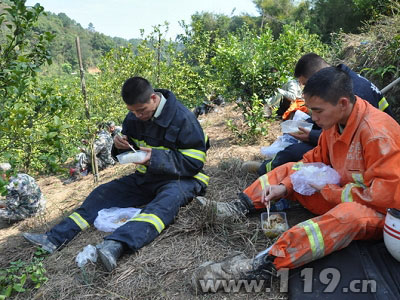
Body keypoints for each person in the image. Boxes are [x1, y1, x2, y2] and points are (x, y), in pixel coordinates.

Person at [192, 67, 400, 292]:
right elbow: (314, 159)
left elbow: (385, 197)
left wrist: (330, 191)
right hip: (342, 192)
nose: (314, 118)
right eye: (312, 110)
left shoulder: (377, 134)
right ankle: (238, 207)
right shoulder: (335, 122)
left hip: (383, 214)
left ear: (342, 103)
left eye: (318, 111)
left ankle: (263, 265)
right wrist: (285, 186)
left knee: (348, 216)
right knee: (291, 168)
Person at [23, 76, 209, 272]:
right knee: (102, 193)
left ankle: (115, 245)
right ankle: (54, 238)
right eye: (132, 111)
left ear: (153, 98)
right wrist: (119, 147)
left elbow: (194, 162)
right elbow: (131, 153)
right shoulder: (133, 118)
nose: (136, 116)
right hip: (148, 177)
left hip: (184, 178)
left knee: (164, 203)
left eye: (141, 110)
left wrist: (155, 158)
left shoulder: (183, 118)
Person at [243, 53, 394, 176]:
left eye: (306, 84)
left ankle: (267, 171)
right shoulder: (341, 79)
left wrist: (312, 136)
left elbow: (348, 136)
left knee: (296, 152)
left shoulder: (354, 92)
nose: (305, 89)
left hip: (364, 149)